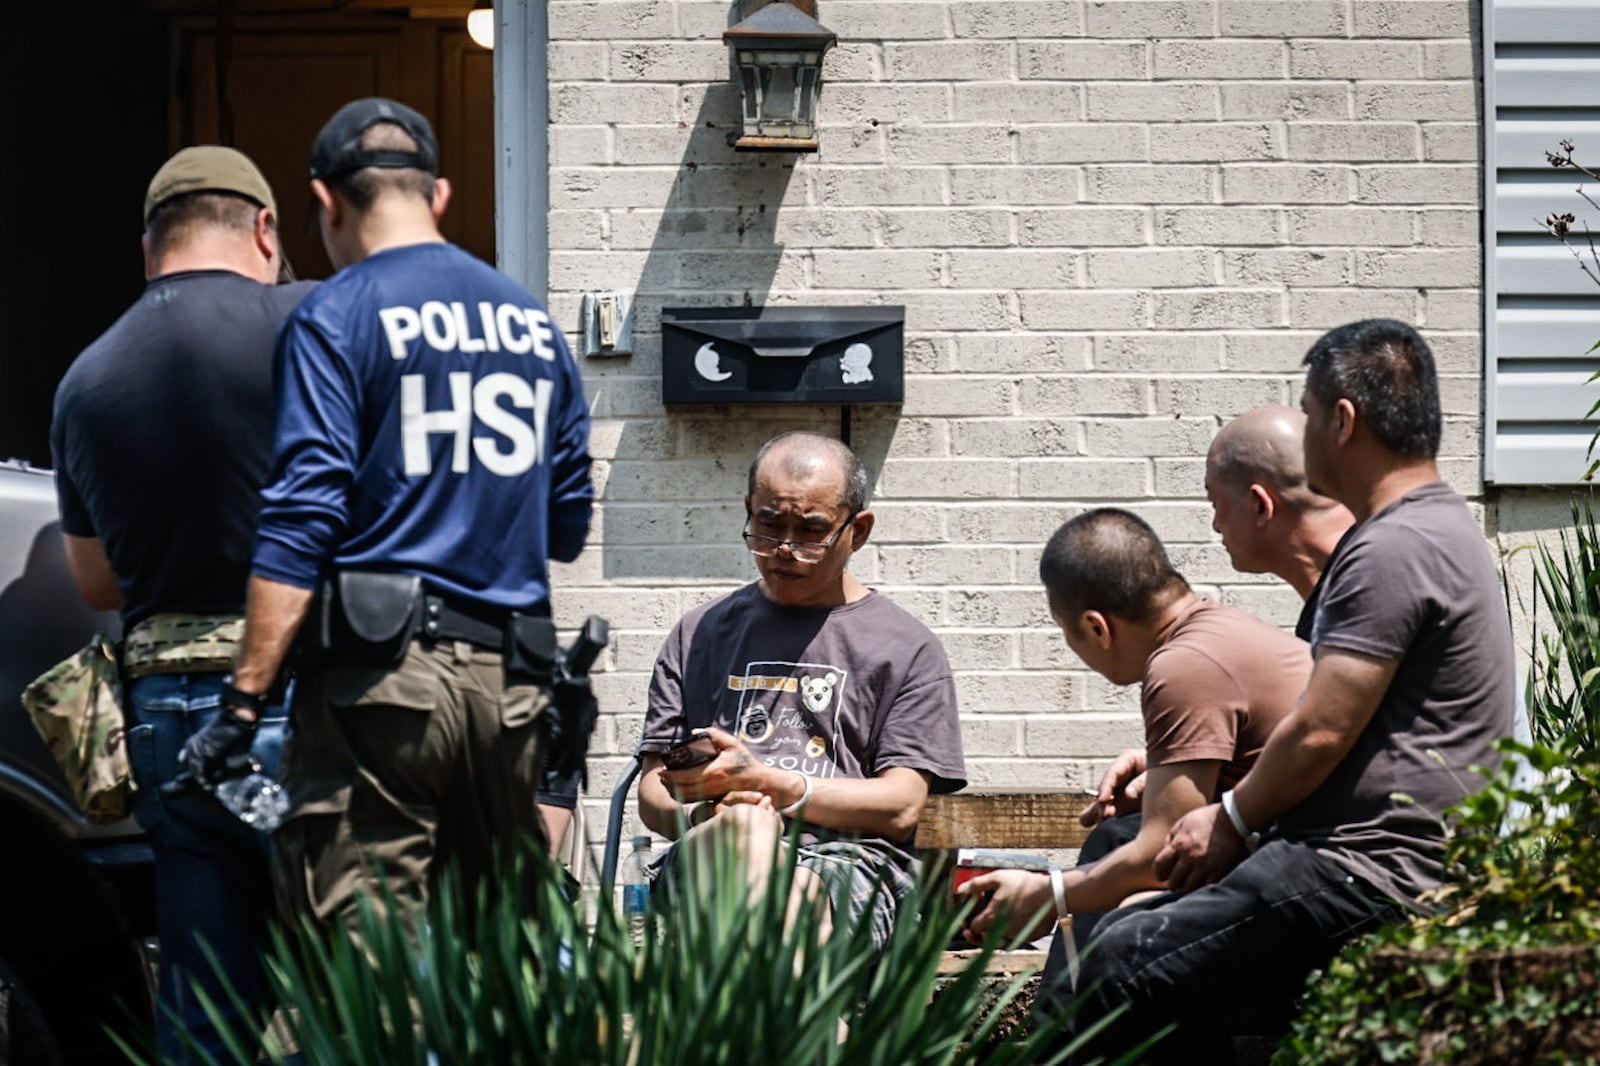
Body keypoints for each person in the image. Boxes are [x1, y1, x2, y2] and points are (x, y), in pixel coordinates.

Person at [176, 98, 594, 929]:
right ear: (436, 197)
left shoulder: (334, 315)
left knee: (368, 972)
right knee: (496, 963)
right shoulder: (533, 328)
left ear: (326, 204)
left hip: (381, 691)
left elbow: (302, 520)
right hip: (509, 691)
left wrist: (243, 704)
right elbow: (568, 527)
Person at [1053, 320, 1516, 1062]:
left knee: (1124, 958)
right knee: (1135, 937)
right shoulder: (1432, 528)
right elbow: (1346, 725)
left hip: (1370, 869)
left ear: (1342, 421)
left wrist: (1230, 816)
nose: (1303, 441)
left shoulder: (1392, 546)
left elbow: (1322, 731)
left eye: (1308, 415)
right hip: (1360, 853)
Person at [50, 146, 313, 1063]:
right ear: (265, 230)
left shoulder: (86, 379)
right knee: (339, 985)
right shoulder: (307, 323)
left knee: (204, 1002)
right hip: (300, 696)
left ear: (148, 246)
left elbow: (96, 584)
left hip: (167, 716)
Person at [635, 431, 966, 950]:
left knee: (782, 901)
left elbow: (901, 805)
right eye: (768, 525)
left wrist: (772, 786)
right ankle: (814, 1029)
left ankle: (763, 1022)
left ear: (858, 530)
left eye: (810, 531)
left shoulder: (905, 646)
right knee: (744, 838)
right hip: (706, 849)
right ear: (748, 510)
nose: (784, 550)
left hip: (851, 866)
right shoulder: (699, 633)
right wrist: (710, 813)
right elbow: (653, 793)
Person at [960, 509, 1311, 961]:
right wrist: (1164, 770)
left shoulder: (1182, 666)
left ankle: (1068, 1030)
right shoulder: (1220, 629)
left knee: (1124, 939)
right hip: (1306, 856)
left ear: (1095, 627)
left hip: (1312, 879)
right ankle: (1068, 1028)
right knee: (1114, 836)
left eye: (1066, 633)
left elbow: (1160, 860)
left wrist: (1049, 895)